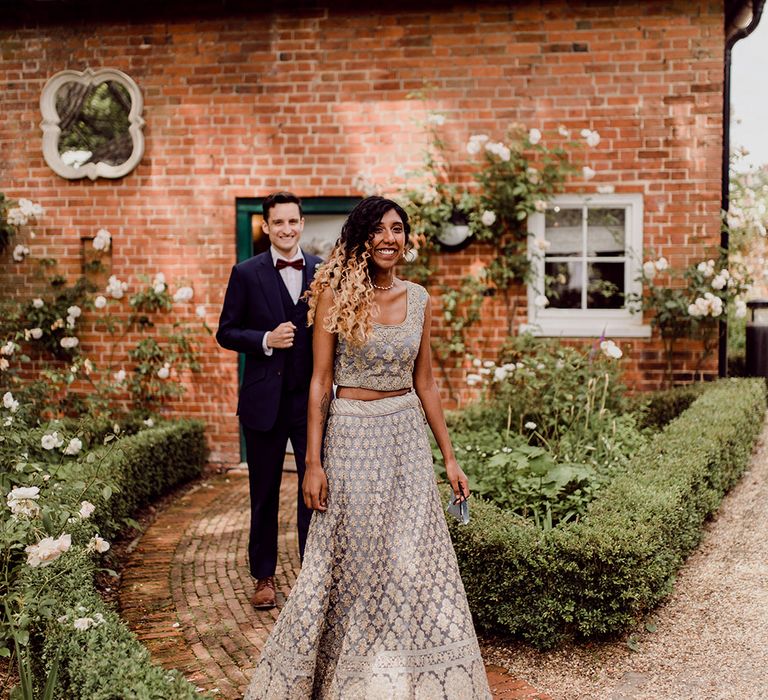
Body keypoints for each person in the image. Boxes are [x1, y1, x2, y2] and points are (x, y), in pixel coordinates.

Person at [245, 196, 491, 698]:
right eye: (378, 229)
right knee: (354, 558)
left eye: (398, 229)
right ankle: (351, 675)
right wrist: (312, 463)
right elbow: (319, 382)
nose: (389, 238)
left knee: (416, 558)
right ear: (362, 237)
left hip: (405, 438)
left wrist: (449, 457)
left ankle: (415, 676)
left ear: (406, 239)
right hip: (352, 435)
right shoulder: (335, 295)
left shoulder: (419, 298)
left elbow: (426, 382)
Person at [216, 191, 322, 610]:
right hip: (263, 403)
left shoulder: (322, 271)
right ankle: (263, 576)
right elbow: (226, 332)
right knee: (264, 492)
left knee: (314, 491)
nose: (286, 228)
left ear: (301, 223)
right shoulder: (245, 273)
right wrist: (264, 340)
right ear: (265, 226)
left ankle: (313, 574)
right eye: (277, 222)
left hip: (310, 402)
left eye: (292, 221)